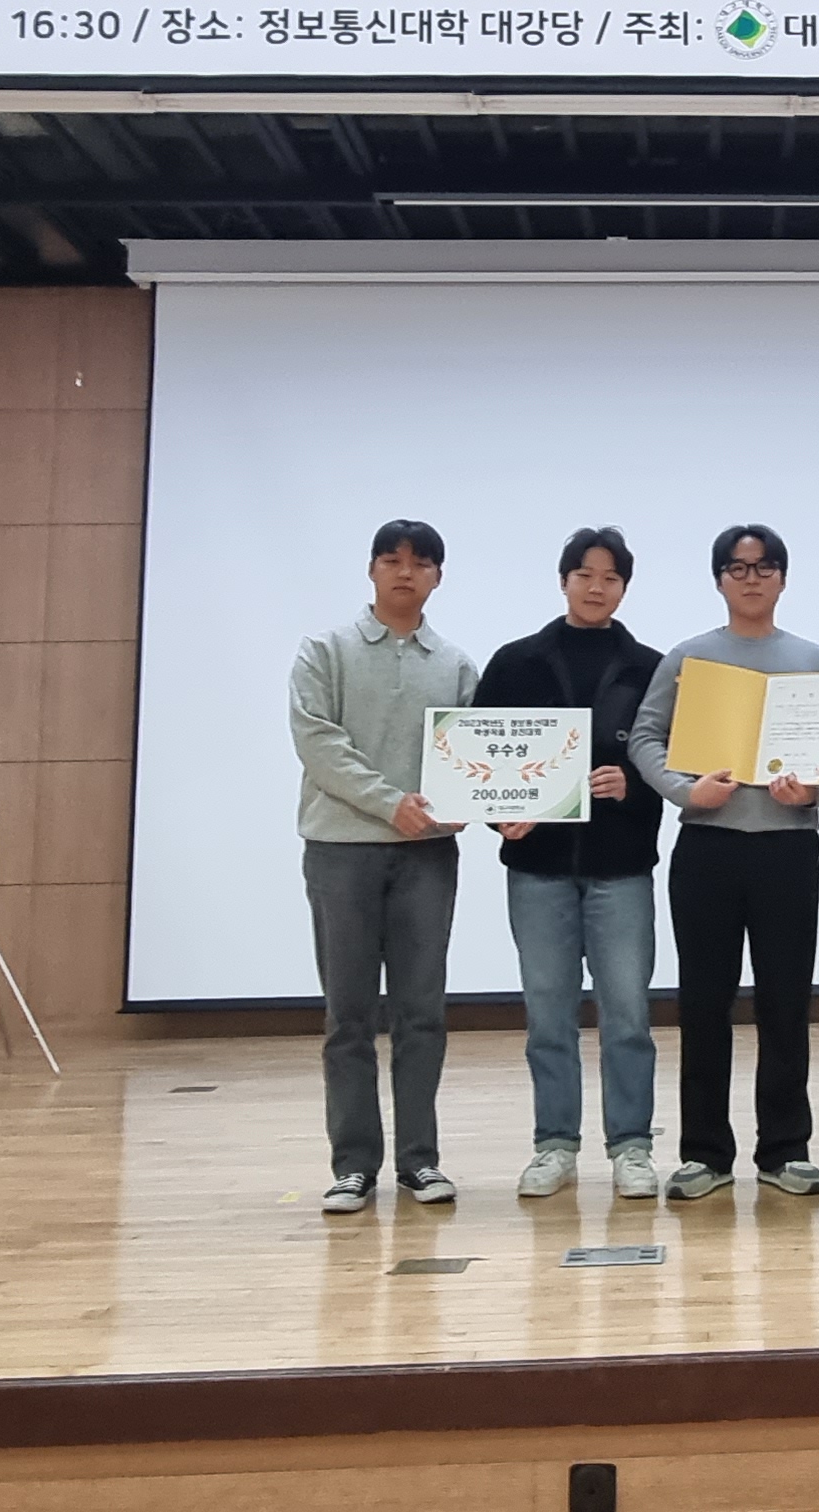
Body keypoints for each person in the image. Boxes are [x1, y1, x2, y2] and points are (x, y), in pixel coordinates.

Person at [628, 525, 819, 1202]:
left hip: (787, 847)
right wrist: (686, 790)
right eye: (738, 567)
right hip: (708, 848)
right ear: (719, 578)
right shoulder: (689, 658)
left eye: (765, 566)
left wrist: (815, 792)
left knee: (786, 1001)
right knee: (703, 1002)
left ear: (783, 578)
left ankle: (785, 1149)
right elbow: (646, 737)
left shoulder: (814, 660)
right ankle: (705, 1153)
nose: (752, 578)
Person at [287, 519, 480, 1215]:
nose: (405, 572)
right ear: (372, 569)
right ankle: (353, 1165)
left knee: (422, 1013)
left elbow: (472, 757)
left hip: (427, 856)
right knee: (349, 1016)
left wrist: (474, 804)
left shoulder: (454, 665)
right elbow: (319, 744)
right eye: (392, 560)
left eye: (421, 563)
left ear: (437, 577)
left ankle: (419, 1161)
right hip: (340, 852)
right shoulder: (325, 651)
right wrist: (389, 803)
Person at [469, 528, 668, 1201]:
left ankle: (632, 1146)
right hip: (538, 869)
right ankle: (554, 1144)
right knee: (548, 1015)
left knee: (628, 1015)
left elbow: (676, 764)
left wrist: (632, 786)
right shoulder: (515, 663)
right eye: (584, 574)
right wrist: (500, 814)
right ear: (563, 581)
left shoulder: (650, 668)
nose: (595, 587)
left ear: (624, 588)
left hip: (622, 869)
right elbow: (479, 761)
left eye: (610, 577)